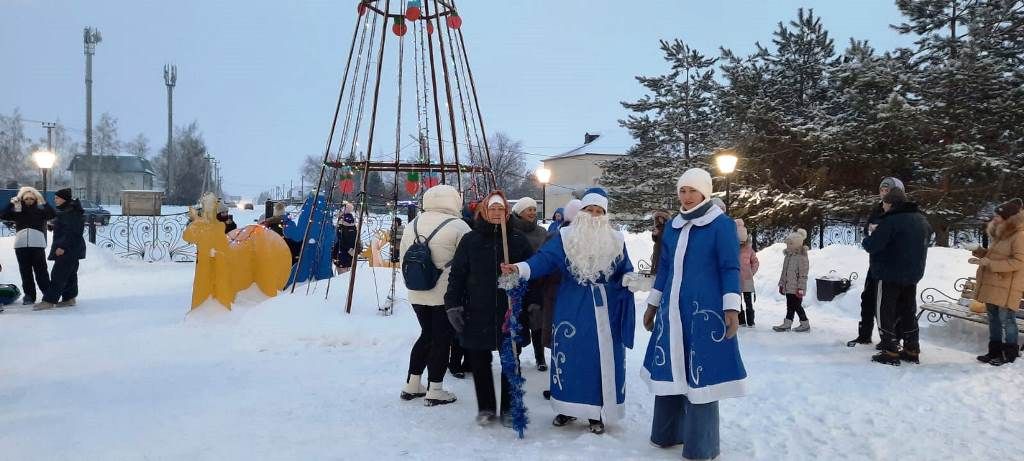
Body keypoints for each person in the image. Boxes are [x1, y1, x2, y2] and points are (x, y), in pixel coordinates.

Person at [501, 188, 635, 435]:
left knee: (599, 361)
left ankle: (597, 412)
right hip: (573, 307)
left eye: (599, 211)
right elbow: (543, 261)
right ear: (581, 212)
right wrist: (519, 268)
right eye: (589, 210)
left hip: (607, 311)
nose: (594, 215)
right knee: (571, 357)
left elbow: (625, 268)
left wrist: (630, 278)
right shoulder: (564, 238)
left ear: (604, 214)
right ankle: (567, 407)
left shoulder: (615, 239)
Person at [641, 169, 745, 460]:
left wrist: (731, 307)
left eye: (692, 191)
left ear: (705, 192)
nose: (686, 197)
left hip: (705, 313)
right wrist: (652, 304)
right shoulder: (673, 226)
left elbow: (730, 267)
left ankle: (702, 445)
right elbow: (665, 269)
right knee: (671, 368)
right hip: (671, 311)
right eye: (682, 191)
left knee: (701, 375)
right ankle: (667, 432)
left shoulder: (721, 225)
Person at [446, 191, 534, 427]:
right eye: (492, 209)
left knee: (510, 359)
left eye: (501, 209)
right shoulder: (471, 240)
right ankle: (485, 407)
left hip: (509, 310)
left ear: (507, 212)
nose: (497, 213)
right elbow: (457, 274)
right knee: (479, 359)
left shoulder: (517, 239)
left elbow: (531, 272)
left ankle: (508, 408)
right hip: (477, 309)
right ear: (484, 212)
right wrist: (452, 304)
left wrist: (530, 300)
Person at [399, 185, 472, 406]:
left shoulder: (413, 224)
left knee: (426, 334)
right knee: (442, 339)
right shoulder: (459, 226)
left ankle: (412, 384)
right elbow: (468, 261)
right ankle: (435, 389)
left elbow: (402, 256)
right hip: (445, 295)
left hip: (416, 291)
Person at [862, 188, 933, 366]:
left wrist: (870, 235)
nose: (883, 207)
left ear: (891, 203)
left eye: (885, 203)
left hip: (889, 273)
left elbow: (873, 245)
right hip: (913, 273)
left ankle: (889, 350)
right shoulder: (921, 219)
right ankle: (911, 348)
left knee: (885, 309)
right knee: (908, 309)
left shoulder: (891, 220)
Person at [849, 177, 905, 347]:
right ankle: (864, 334)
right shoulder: (878, 208)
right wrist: (871, 230)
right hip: (875, 263)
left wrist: (879, 230)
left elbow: (897, 234)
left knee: (889, 304)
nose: (883, 193)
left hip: (892, 266)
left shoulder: (901, 211)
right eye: (882, 190)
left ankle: (892, 338)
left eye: (887, 190)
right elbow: (868, 228)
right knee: (868, 298)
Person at [970, 198, 1023, 366]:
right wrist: (979, 253)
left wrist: (990, 264)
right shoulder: (1001, 234)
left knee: (1007, 320)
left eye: (998, 216)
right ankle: (994, 351)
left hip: (1007, 286)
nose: (995, 218)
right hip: (994, 284)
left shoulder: (1019, 236)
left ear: (1008, 218)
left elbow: (1019, 262)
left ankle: (1010, 353)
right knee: (993, 318)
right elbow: (994, 256)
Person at [510, 197, 549, 371]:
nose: (533, 212)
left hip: (537, 281)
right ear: (519, 212)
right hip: (515, 282)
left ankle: (540, 356)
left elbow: (548, 254)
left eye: (534, 209)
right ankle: (515, 356)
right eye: (529, 209)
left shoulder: (542, 232)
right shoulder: (510, 230)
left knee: (537, 318)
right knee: (516, 319)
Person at [1, 187, 55, 305]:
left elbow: (52, 214)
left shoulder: (41, 212)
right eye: (26, 198)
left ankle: (47, 294)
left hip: (37, 245)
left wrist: (44, 202)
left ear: (35, 199)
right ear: (22, 199)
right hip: (21, 245)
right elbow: (3, 215)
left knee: (41, 271)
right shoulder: (17, 212)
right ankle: (29, 295)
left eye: (31, 198)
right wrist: (11, 203)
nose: (29, 200)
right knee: (25, 272)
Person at [34, 188, 85, 310]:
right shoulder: (68, 210)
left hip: (67, 249)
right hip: (73, 249)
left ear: (64, 199)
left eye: (57, 198)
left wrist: (62, 247)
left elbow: (73, 232)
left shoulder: (70, 211)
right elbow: (66, 227)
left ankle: (49, 301)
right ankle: (69, 298)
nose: (55, 200)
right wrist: (54, 226)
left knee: (58, 274)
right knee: (70, 274)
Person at [773, 229, 810, 332]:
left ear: (797, 244)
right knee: (790, 305)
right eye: (788, 243)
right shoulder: (788, 256)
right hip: (788, 286)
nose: (788, 246)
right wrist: (781, 284)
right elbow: (784, 272)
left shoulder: (802, 257)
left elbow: (803, 275)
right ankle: (787, 323)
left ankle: (805, 323)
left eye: (790, 244)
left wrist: (801, 288)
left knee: (797, 305)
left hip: (797, 288)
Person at [736, 219, 759, 327]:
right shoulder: (732, 248)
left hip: (747, 279)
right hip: (735, 278)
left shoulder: (749, 249)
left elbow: (755, 262)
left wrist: (752, 272)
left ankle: (750, 321)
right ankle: (741, 321)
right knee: (738, 301)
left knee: (748, 301)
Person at [332, 203, 358, 273]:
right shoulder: (353, 226)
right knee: (347, 272)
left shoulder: (341, 225)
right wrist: (351, 249)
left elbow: (340, 239)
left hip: (341, 253)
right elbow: (355, 239)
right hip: (350, 252)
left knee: (341, 272)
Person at [650, 210, 672, 275]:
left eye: (661, 217)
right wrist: (654, 235)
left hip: (665, 248)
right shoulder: (657, 226)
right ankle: (654, 273)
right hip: (657, 248)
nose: (659, 219)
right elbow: (655, 240)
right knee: (656, 262)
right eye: (658, 217)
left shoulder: (669, 227)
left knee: (663, 264)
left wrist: (659, 234)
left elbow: (668, 237)